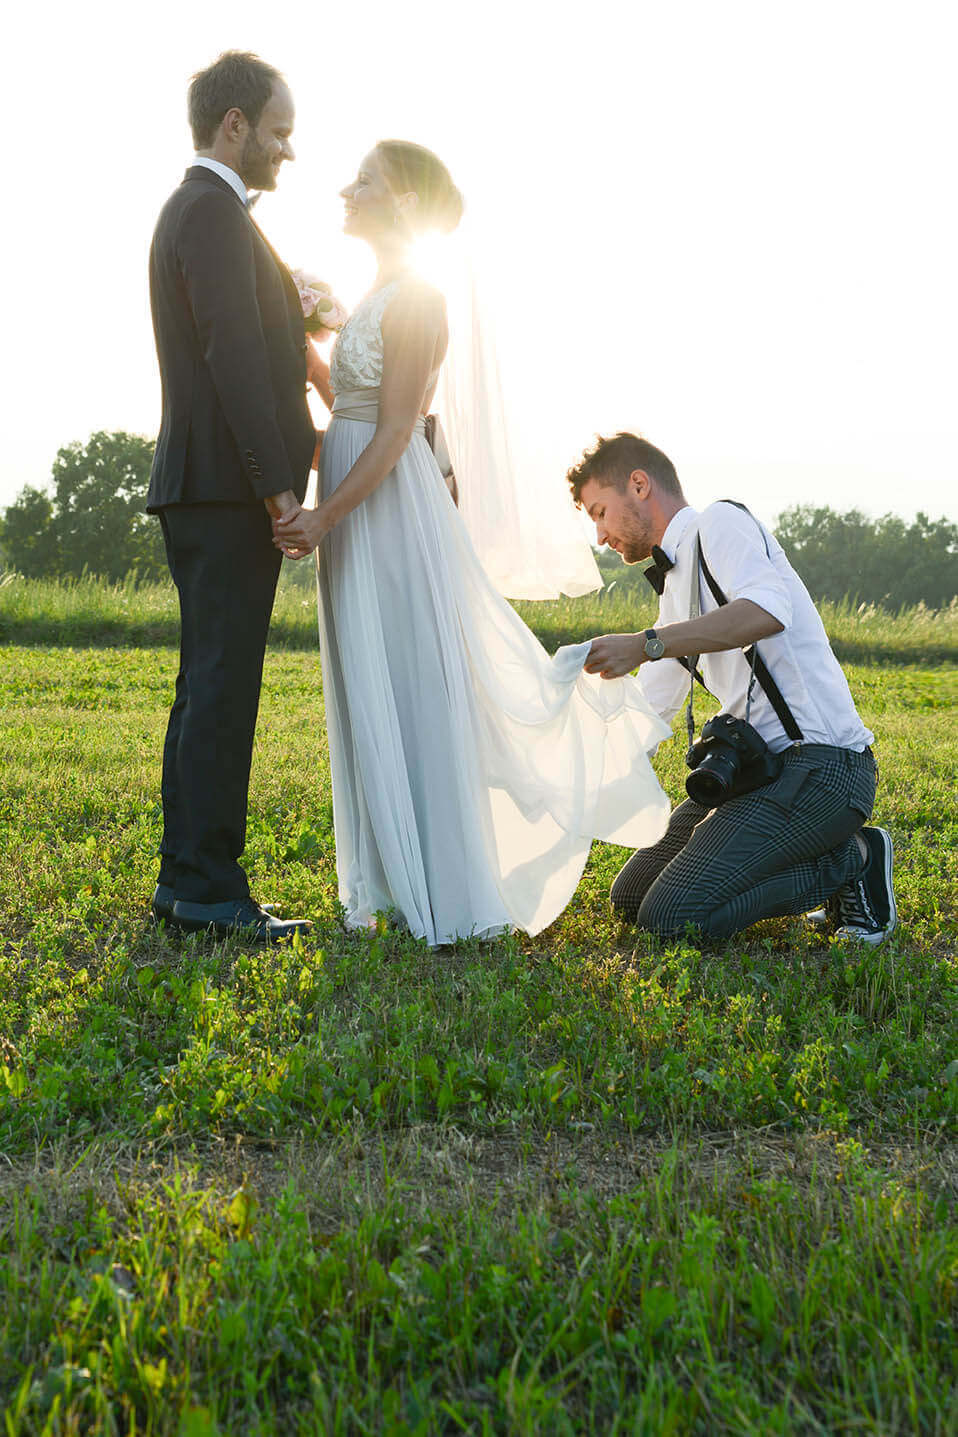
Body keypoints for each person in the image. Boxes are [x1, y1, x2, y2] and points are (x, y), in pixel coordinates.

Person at [272, 143, 672, 946]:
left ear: (404, 203)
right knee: (369, 677)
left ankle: (448, 888)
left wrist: (324, 517)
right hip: (357, 502)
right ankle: (386, 878)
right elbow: (351, 404)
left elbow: (393, 434)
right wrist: (307, 347)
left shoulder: (419, 297)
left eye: (367, 181)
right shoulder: (376, 292)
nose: (347, 189)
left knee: (413, 678)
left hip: (385, 508)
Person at [571, 432, 897, 946]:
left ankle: (850, 859)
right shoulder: (674, 594)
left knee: (671, 919)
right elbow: (649, 712)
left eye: (600, 511)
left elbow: (768, 610)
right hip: (754, 771)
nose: (599, 534)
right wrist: (569, 771)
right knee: (631, 897)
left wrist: (647, 643)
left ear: (638, 485)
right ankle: (811, 853)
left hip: (823, 767)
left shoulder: (719, 523)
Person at [146, 52, 315, 943]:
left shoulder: (209, 213)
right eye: (278, 131)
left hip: (206, 488)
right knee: (221, 689)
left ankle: (188, 880)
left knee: (206, 685)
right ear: (235, 125)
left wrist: (298, 303)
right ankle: (210, 887)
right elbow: (234, 359)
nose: (288, 151)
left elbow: (256, 334)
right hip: (223, 491)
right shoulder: (211, 211)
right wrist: (280, 490)